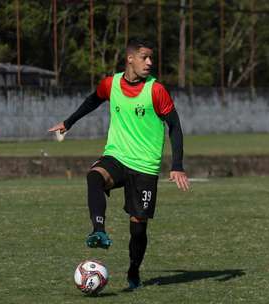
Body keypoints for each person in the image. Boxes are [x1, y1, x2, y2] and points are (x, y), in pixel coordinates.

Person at [49, 38, 190, 291]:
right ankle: (99, 231)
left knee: (138, 229)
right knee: (94, 176)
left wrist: (177, 165)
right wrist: (68, 122)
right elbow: (93, 100)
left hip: (145, 166)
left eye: (151, 58)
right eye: (144, 57)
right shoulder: (110, 83)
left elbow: (175, 127)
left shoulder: (156, 90)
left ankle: (134, 269)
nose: (149, 62)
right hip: (116, 155)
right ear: (130, 59)